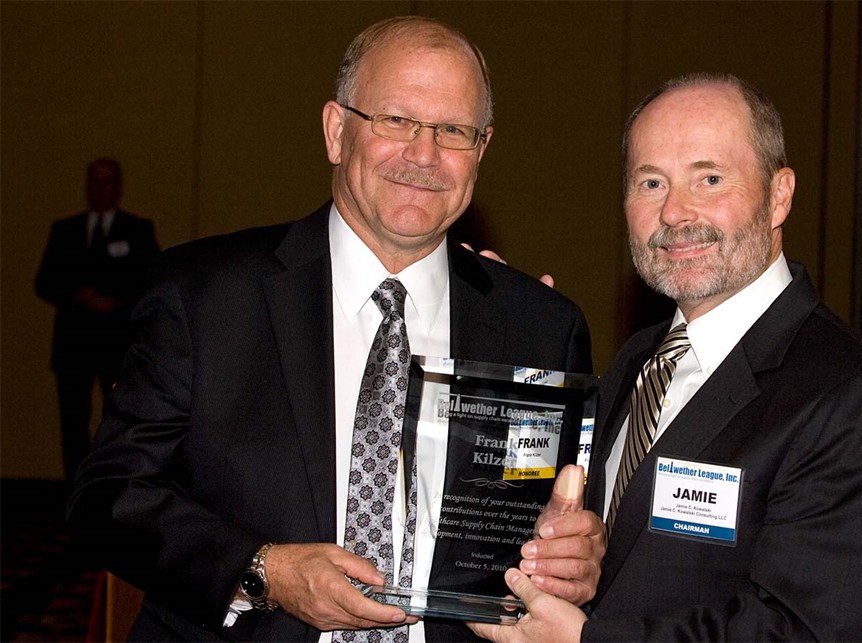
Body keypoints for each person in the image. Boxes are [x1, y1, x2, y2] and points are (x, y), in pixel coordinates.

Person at [67, 16, 602, 643]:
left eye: (452, 130)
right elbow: (106, 501)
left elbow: (548, 529)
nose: (423, 154)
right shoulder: (204, 297)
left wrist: (572, 559)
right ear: (336, 130)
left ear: (481, 149)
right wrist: (264, 570)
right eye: (396, 120)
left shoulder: (541, 326)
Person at [470, 73, 862, 642]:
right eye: (651, 182)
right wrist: (509, 350)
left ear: (779, 195)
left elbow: (801, 631)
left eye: (709, 178)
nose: (676, 213)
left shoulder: (851, 399)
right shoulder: (640, 359)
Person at [35, 157, 159, 482]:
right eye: (93, 181)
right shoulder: (66, 230)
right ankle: (75, 492)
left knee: (121, 421)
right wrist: (79, 296)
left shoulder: (137, 230)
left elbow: (152, 281)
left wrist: (116, 300)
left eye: (106, 181)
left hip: (117, 343)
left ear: (118, 187)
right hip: (74, 343)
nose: (99, 188)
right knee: (73, 423)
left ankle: (116, 492)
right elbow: (45, 281)